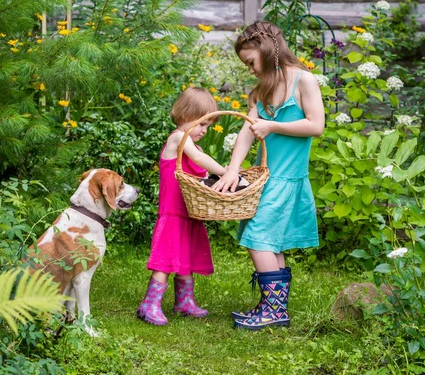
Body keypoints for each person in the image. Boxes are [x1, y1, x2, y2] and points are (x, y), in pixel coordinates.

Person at [211, 21, 325, 330]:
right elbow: (247, 132)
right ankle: (274, 308)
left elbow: (316, 125)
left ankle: (274, 309)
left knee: (257, 237)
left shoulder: (304, 81)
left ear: (266, 50)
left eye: (250, 62)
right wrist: (233, 169)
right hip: (266, 178)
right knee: (270, 242)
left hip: (288, 179)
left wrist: (273, 126)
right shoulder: (259, 92)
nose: (249, 70)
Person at [137, 87, 226, 326]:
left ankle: (184, 302)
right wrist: (226, 172)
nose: (204, 131)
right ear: (185, 116)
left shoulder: (195, 146)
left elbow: (200, 170)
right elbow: (198, 161)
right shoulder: (178, 138)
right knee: (166, 259)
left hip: (190, 213)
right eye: (201, 124)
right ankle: (149, 304)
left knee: (185, 257)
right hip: (173, 212)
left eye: (208, 126)